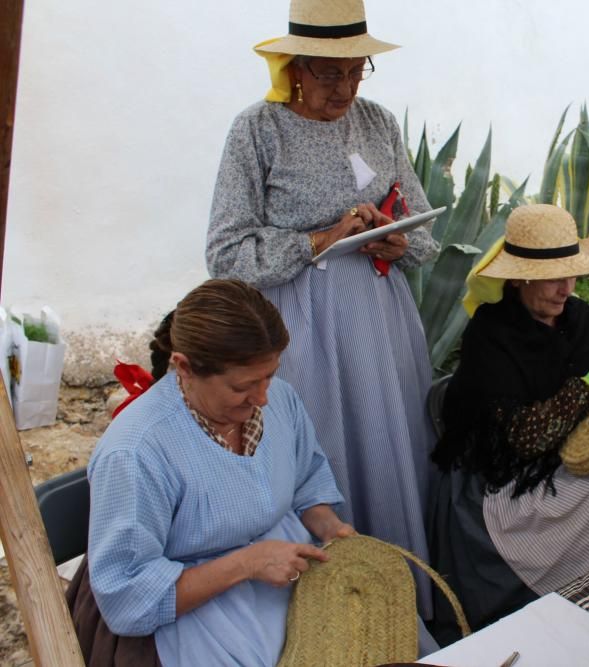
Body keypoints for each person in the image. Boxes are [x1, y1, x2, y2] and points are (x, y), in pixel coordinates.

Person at [204, 0, 439, 607]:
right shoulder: (258, 130)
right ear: (295, 67)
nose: (345, 87)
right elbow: (226, 253)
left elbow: (424, 235)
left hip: (380, 326)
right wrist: (321, 239)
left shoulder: (379, 123)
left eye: (356, 70)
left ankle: (397, 603)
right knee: (320, 451)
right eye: (328, 72)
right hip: (298, 330)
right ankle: (328, 612)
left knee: (388, 452)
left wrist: (396, 236)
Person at [78, 279, 354, 666]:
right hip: (187, 605)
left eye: (269, 376)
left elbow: (306, 479)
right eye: (242, 386)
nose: (262, 398)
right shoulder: (137, 451)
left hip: (278, 571)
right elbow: (127, 598)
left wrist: (330, 528)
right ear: (185, 367)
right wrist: (248, 563)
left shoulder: (280, 401)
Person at [428, 204, 589, 638]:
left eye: (572, 274)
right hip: (501, 484)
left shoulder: (577, 319)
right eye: (552, 277)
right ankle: (585, 610)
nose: (566, 289)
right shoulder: (490, 335)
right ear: (520, 276)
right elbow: (526, 438)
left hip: (564, 460)